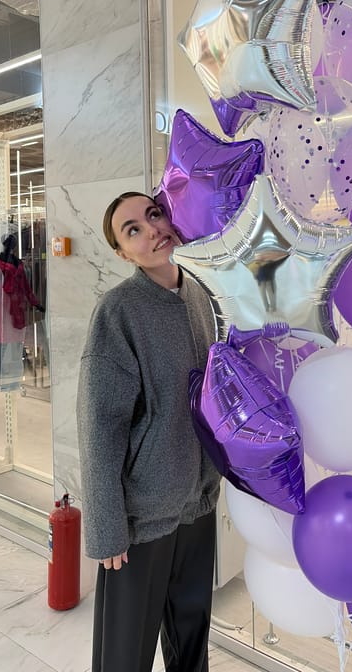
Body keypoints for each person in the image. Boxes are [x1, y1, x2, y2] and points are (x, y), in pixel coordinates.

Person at [76, 192, 220, 672]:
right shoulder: (118, 311)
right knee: (125, 655)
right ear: (122, 253)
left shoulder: (199, 295)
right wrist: (106, 528)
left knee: (192, 639)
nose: (151, 229)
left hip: (198, 503)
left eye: (152, 214)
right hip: (141, 519)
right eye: (132, 229)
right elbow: (100, 425)